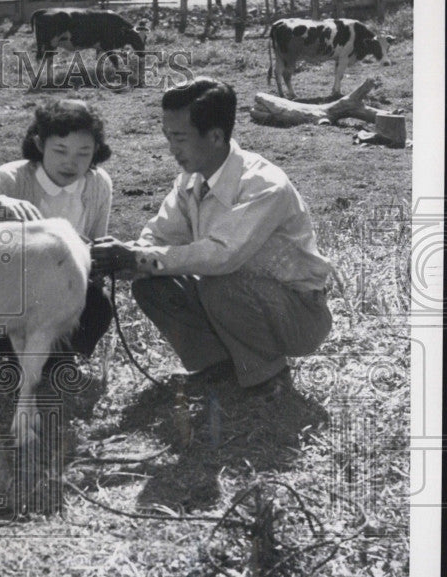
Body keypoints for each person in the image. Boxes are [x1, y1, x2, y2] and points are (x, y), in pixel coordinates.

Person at [91, 77, 333, 392]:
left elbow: (222, 256)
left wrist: (138, 256)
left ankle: (269, 376)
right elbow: (158, 239)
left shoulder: (263, 184)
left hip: (298, 313)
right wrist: (120, 260)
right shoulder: (189, 182)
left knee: (218, 284)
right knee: (151, 284)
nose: (171, 148)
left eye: (179, 137)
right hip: (237, 293)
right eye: (167, 136)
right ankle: (216, 368)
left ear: (216, 136)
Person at [0, 98, 114, 385]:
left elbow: (96, 246)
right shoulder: (12, 178)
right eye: (60, 150)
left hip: (65, 292)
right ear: (40, 145)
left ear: (96, 153)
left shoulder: (99, 184)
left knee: (99, 307)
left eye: (83, 153)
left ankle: (45, 360)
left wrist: (96, 257)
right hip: (12, 290)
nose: (71, 162)